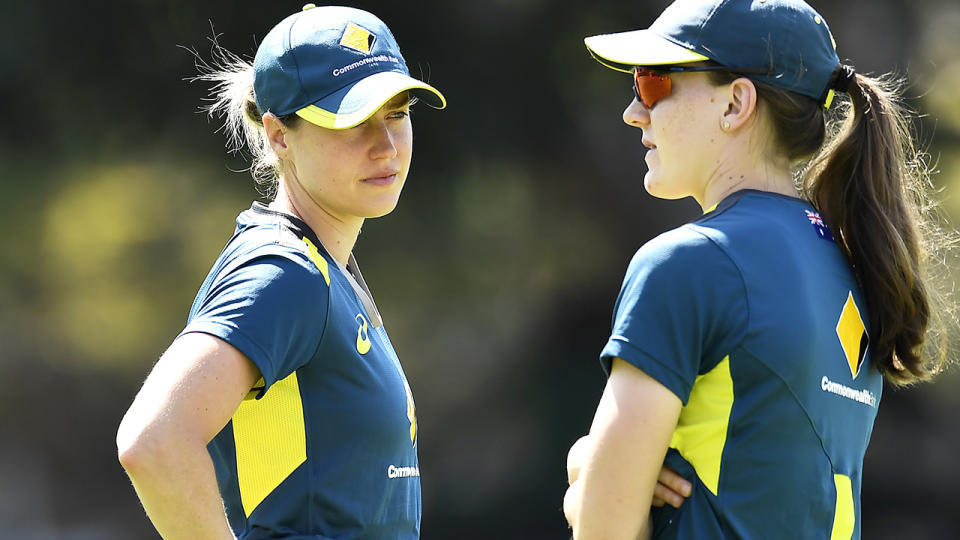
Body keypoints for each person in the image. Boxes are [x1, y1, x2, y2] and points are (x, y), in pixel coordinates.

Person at [563, 0, 955, 538]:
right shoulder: (858, 267)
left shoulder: (687, 265)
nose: (635, 111)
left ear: (735, 104)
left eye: (654, 83)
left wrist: (586, 476)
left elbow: (600, 529)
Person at [116, 5, 445, 539]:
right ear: (279, 135)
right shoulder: (283, 271)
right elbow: (154, 441)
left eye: (398, 113)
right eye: (353, 119)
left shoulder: (326, 270)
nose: (385, 145)